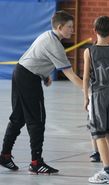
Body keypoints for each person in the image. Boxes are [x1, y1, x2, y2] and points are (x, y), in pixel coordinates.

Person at [0, 11, 82, 174]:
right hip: (28, 79)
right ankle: (36, 162)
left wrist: (44, 75)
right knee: (37, 120)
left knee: (18, 118)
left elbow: (35, 56)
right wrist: (89, 92)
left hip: (21, 72)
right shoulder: (56, 45)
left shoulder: (47, 35)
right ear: (60, 27)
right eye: (70, 27)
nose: (72, 30)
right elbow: (70, 74)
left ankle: (4, 155)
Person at [83, 16, 109, 183]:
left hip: (98, 94)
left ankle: (107, 171)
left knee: (98, 133)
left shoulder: (89, 51)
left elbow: (86, 77)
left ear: (94, 31)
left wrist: (85, 97)